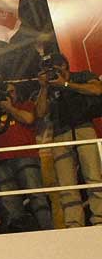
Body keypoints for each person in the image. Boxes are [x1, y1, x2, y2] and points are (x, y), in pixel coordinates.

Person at [36, 53, 102, 226]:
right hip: (59, 133)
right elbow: (40, 113)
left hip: (83, 128)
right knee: (66, 184)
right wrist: (44, 88)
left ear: (65, 65)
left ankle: (100, 219)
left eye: (56, 67)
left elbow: (97, 89)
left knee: (94, 176)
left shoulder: (82, 76)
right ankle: (74, 223)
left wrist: (65, 84)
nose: (53, 72)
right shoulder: (49, 87)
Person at [0, 81, 52, 232]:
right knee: (10, 202)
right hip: (1, 161)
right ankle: (18, 234)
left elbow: (29, 119)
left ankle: (47, 230)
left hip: (25, 156)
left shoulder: (25, 105)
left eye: (11, 92)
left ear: (17, 93)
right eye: (5, 92)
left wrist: (10, 108)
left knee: (36, 196)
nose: (8, 95)